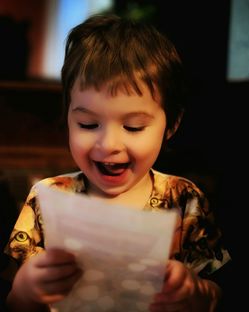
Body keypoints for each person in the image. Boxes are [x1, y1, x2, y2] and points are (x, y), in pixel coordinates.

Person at [3, 14, 231, 312]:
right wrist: (25, 290)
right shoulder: (48, 198)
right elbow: (13, 300)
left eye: (134, 127)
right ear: (68, 118)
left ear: (171, 125)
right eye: (87, 124)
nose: (108, 145)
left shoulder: (185, 200)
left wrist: (195, 292)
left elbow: (218, 292)